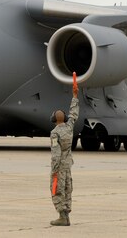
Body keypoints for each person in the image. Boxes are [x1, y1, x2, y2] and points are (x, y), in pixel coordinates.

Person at [49, 72, 80, 226]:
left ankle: (61, 216)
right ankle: (67, 216)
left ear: (54, 119)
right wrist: (75, 95)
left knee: (56, 189)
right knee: (68, 188)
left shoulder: (55, 133)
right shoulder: (69, 127)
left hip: (60, 165)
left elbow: (55, 153)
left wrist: (54, 170)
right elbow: (74, 114)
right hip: (68, 165)